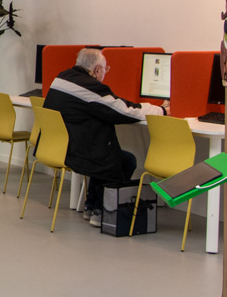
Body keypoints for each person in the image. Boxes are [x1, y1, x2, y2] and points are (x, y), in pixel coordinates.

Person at [42, 47, 164, 226]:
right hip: (79, 152)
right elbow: (124, 111)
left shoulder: (62, 77)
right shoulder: (90, 87)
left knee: (108, 154)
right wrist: (160, 110)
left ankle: (91, 206)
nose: (105, 73)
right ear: (97, 70)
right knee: (123, 160)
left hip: (60, 148)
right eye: (106, 70)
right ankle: (101, 210)